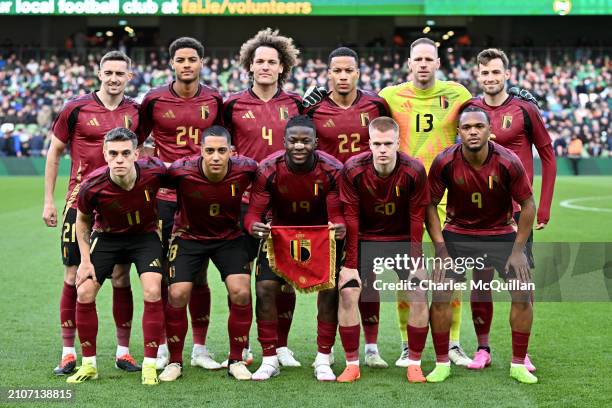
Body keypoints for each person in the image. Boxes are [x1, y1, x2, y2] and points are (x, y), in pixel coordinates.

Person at [42, 51, 141, 375]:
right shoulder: (76, 108)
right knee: (74, 275)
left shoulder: (136, 112)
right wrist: (49, 200)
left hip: (120, 205)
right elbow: (55, 152)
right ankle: (68, 352)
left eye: (119, 73)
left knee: (120, 276)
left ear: (129, 76)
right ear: (99, 73)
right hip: (79, 204)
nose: (113, 78)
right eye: (108, 72)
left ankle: (123, 352)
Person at [425, 107, 537, 384]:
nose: (473, 131)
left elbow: (528, 205)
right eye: (467, 127)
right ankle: (441, 363)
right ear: (459, 132)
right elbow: (428, 204)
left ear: (490, 131)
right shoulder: (444, 161)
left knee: (522, 291)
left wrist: (518, 250)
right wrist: (441, 249)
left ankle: (518, 363)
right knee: (440, 293)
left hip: (499, 232)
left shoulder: (508, 161)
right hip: (458, 233)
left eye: (479, 126)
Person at [379, 37, 472, 367]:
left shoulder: (458, 94)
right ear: (408, 64)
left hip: (450, 195)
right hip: (406, 196)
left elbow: (484, 117)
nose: (422, 64)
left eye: (428, 59)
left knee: (452, 274)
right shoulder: (389, 97)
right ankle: (407, 344)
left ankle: (454, 344)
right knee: (407, 275)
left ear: (437, 63)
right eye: (416, 59)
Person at [463, 48, 556, 371]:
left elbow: (547, 154)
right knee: (481, 281)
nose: (490, 78)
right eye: (484, 73)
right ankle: (482, 348)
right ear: (478, 76)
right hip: (482, 213)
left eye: (495, 73)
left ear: (507, 75)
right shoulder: (470, 110)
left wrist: (543, 207)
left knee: (521, 283)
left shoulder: (525, 109)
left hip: (518, 213)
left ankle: (522, 352)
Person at [140, 37, 224, 370]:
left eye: (192, 59)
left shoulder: (216, 99)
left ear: (202, 62)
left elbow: (225, 143)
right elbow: (137, 141)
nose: (186, 64)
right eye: (180, 59)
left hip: (201, 197)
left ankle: (200, 349)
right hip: (163, 199)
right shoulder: (154, 99)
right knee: (160, 276)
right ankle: (162, 345)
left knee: (199, 274)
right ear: (171, 64)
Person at [306, 46, 391, 368]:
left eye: (349, 70)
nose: (343, 76)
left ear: (358, 72)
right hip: (326, 205)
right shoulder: (314, 108)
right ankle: (323, 352)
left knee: (368, 279)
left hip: (369, 203)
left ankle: (371, 348)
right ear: (329, 73)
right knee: (327, 282)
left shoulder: (376, 104)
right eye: (337, 71)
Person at [244, 115, 345, 381]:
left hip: (320, 237)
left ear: (316, 142)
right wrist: (254, 226)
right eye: (293, 141)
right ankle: (269, 359)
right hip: (279, 235)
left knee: (330, 288)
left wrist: (340, 226)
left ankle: (323, 357)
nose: (299, 146)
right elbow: (253, 213)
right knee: (265, 288)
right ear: (283, 142)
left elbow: (337, 213)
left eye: (305, 141)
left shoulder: (332, 169)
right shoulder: (268, 169)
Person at [223, 28, 302, 367]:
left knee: (284, 281)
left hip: (286, 207)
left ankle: (281, 346)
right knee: (241, 280)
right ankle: (245, 345)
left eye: (273, 62)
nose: (266, 67)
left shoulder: (297, 105)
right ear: (249, 66)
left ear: (282, 66)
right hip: (242, 203)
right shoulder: (231, 105)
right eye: (260, 62)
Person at [67, 128, 166, 385]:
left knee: (153, 290)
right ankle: (89, 364)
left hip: (144, 238)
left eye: (125, 153)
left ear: (136, 153)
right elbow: (82, 222)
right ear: (104, 154)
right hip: (108, 238)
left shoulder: (155, 172)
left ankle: (149, 364)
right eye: (113, 153)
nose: (119, 159)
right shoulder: (92, 185)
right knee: (85, 292)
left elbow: (182, 177)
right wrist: (86, 262)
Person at [158, 126, 256, 381]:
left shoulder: (247, 169)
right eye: (210, 150)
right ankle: (175, 362)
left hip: (229, 238)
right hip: (189, 237)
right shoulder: (181, 170)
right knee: (177, 293)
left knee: (242, 291)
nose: (215, 157)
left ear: (231, 152)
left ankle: (236, 359)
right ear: (200, 150)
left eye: (221, 151)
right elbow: (150, 181)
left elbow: (268, 186)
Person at [341, 117, 429, 382]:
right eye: (377, 144)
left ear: (397, 144)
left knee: (419, 291)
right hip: (365, 239)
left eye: (387, 144)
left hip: (401, 239)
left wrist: (417, 262)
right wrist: (351, 264)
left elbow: (417, 218)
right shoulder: (353, 169)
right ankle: (352, 364)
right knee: (348, 292)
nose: (382, 149)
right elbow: (351, 217)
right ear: (369, 144)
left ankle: (415, 363)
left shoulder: (414, 170)